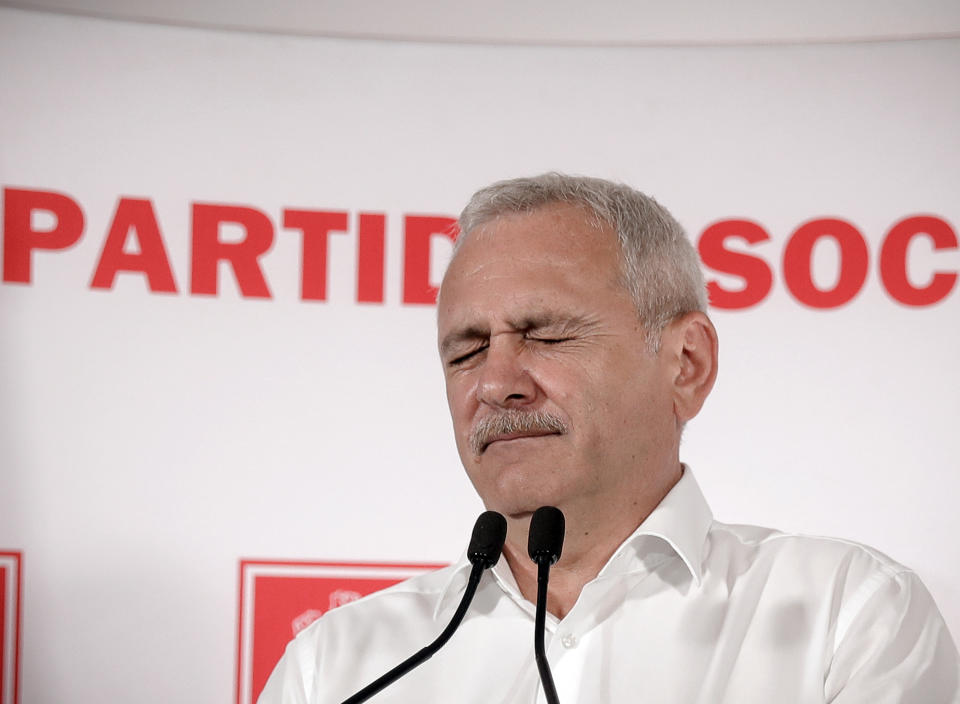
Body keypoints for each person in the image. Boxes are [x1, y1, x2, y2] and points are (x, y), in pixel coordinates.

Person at [259, 173, 959, 703]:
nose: (497, 382)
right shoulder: (340, 666)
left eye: (547, 334)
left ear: (687, 364)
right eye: (466, 350)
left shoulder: (848, 615)